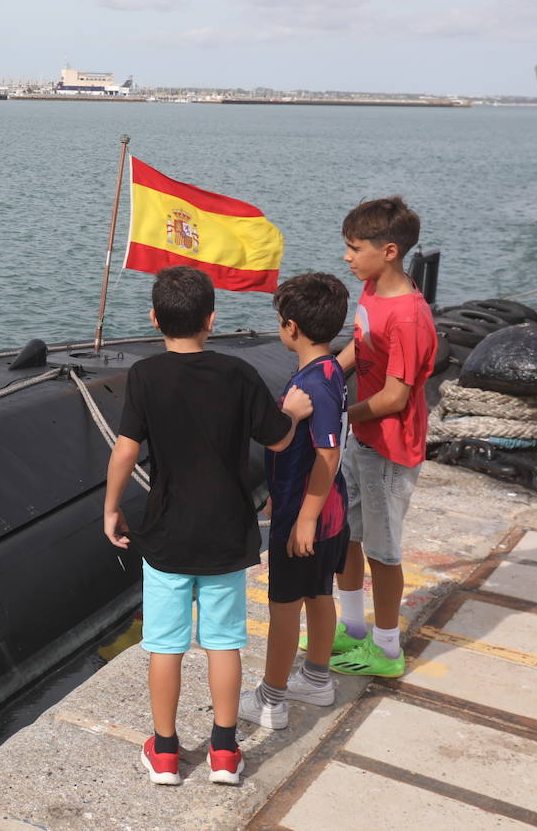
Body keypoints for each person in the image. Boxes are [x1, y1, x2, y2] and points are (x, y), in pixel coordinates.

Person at [103, 266, 312, 787]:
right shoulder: (237, 374)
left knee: (165, 645)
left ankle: (167, 753)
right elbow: (280, 439)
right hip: (225, 534)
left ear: (154, 319)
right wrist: (295, 412)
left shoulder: (145, 376)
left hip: (168, 535)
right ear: (211, 320)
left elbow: (126, 450)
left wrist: (110, 508)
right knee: (223, 643)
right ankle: (223, 752)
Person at [325, 197, 437, 678]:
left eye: (354, 249)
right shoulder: (372, 288)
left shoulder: (408, 317)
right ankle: (351, 629)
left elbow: (395, 397)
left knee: (382, 552)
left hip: (390, 449)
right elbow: (358, 343)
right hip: (361, 441)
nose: (347, 258)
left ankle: (387, 649)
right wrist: (325, 374)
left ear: (389, 250)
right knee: (347, 537)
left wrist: (340, 410)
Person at [239, 272, 351, 730]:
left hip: (310, 515)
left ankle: (271, 700)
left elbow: (327, 451)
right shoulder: (330, 370)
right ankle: (317, 678)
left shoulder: (315, 384)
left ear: (290, 327)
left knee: (284, 605)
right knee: (319, 592)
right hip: (330, 510)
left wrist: (303, 517)